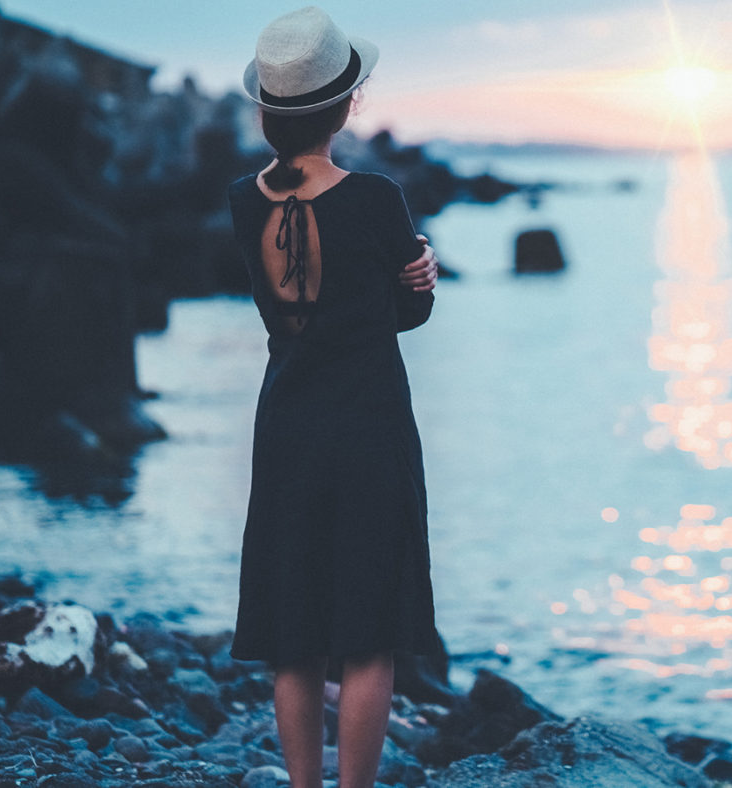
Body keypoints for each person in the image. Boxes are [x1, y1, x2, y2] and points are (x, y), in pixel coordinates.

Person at [225, 8, 443, 788]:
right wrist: (420, 277)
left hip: (287, 423)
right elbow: (403, 315)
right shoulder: (377, 199)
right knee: (368, 636)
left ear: (266, 112)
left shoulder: (241, 201)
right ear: (347, 105)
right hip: (368, 428)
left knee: (295, 632)